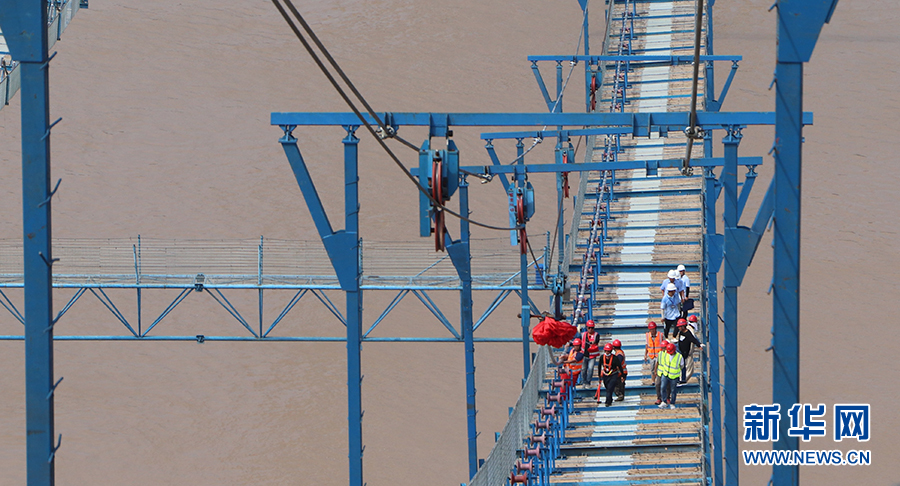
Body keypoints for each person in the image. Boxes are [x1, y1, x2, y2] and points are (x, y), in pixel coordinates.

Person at [595, 343, 626, 407]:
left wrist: (622, 376)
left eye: (608, 351)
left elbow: (620, 367)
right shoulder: (602, 357)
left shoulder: (615, 358)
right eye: (606, 351)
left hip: (613, 375)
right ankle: (610, 398)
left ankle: (608, 402)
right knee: (607, 387)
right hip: (605, 375)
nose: (607, 353)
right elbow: (599, 366)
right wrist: (599, 375)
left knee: (610, 387)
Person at [675, 319, 703, 383]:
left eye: (679, 327)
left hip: (684, 352)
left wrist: (699, 345)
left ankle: (683, 379)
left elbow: (693, 339)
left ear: (683, 326)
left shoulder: (688, 333)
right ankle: (677, 379)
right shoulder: (681, 333)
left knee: (683, 366)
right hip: (679, 350)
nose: (678, 328)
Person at [657, 342, 684, 410]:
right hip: (665, 373)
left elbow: (682, 366)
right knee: (662, 387)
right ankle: (664, 401)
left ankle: (672, 403)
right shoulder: (666, 354)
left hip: (674, 376)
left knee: (673, 390)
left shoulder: (679, 356)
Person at [644, 321, 664, 404]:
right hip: (652, 355)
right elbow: (647, 345)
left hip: (659, 354)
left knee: (658, 369)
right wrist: (645, 354)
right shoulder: (647, 336)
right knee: (652, 369)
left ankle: (658, 380)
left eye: (653, 329)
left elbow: (663, 344)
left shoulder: (660, 335)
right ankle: (653, 381)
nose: (652, 331)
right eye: (650, 329)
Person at [579, 320, 602, 387]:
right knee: (583, 369)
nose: (590, 329)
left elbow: (597, 340)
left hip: (592, 356)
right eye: (589, 328)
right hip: (584, 355)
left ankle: (588, 383)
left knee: (590, 369)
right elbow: (578, 342)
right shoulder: (583, 335)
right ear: (587, 327)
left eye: (592, 328)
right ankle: (584, 382)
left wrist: (593, 342)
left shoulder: (596, 335)